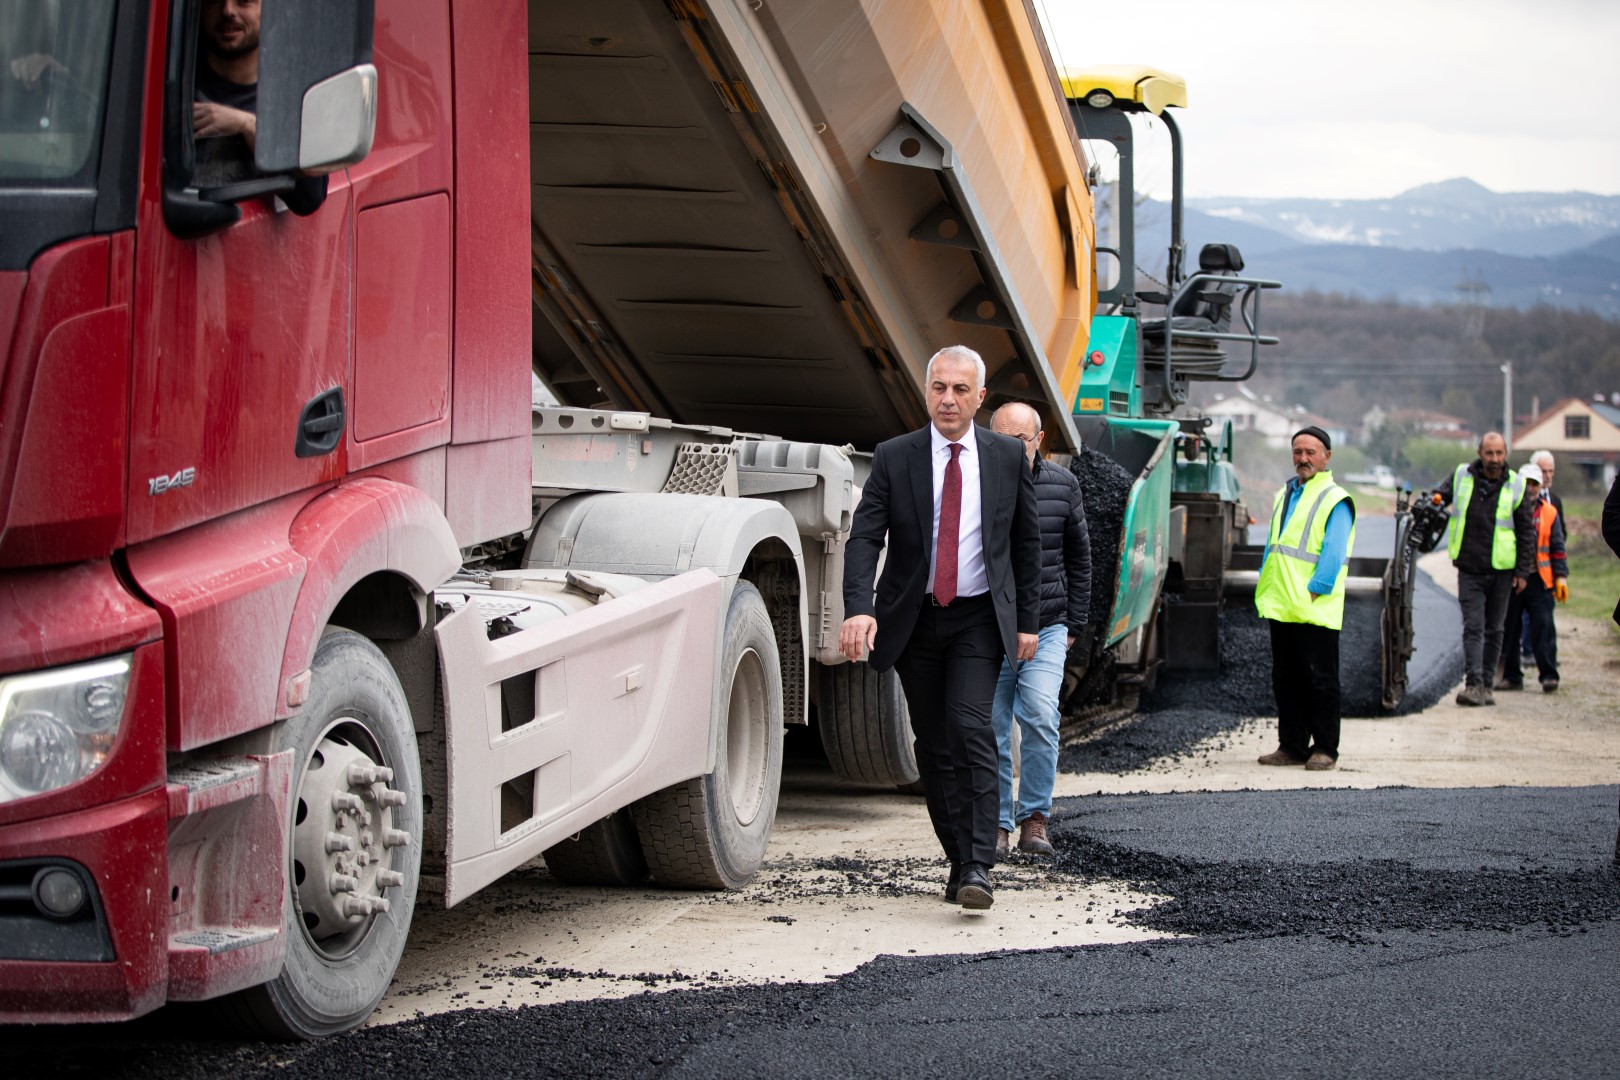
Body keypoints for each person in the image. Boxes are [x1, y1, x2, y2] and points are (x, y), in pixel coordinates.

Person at [840, 346, 1040, 911]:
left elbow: (1026, 543)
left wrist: (1029, 622)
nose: (947, 399)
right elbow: (864, 537)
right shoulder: (895, 455)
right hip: (914, 619)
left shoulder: (1004, 456)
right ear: (925, 392)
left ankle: (980, 863)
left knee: (970, 726)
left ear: (980, 398)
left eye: (959, 389)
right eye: (938, 388)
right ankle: (958, 859)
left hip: (978, 616)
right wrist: (861, 607)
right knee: (933, 744)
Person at [987, 402, 1091, 860]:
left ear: (1040, 440)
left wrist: (1074, 625)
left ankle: (1035, 818)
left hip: (1048, 625)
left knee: (1040, 712)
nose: (1012, 450)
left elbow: (1081, 558)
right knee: (988, 726)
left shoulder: (1063, 486)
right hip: (989, 628)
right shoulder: (978, 485)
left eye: (1020, 441)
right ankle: (996, 823)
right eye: (1002, 440)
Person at [1254, 427, 1356, 771]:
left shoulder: (1335, 498)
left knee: (1320, 680)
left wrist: (1317, 588)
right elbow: (1276, 546)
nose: (1303, 458)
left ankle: (1325, 747)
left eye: (1311, 452)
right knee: (1286, 680)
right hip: (1282, 604)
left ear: (1327, 456)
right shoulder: (1285, 494)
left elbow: (1334, 550)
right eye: (1298, 451)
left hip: (1313, 605)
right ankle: (1292, 745)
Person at [1434, 432, 1535, 707]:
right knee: (1473, 627)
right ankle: (1474, 684)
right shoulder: (1461, 476)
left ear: (1506, 454)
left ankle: (1487, 684)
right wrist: (1429, 504)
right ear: (1480, 452)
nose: (1494, 459)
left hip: (1502, 570)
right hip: (1469, 567)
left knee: (1494, 629)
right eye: (1489, 453)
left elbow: (1527, 531)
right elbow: (1438, 498)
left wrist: (1522, 572)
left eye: (1499, 454)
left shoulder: (1516, 484)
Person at [1497, 464, 1567, 693]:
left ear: (1540, 486)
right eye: (1526, 483)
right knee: (1510, 628)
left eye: (1534, 484)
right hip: (1514, 577)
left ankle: (1548, 674)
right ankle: (1512, 675)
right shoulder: (1508, 509)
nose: (1530, 488)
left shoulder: (1549, 512)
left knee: (1543, 626)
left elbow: (1557, 546)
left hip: (1539, 579)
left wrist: (1561, 577)